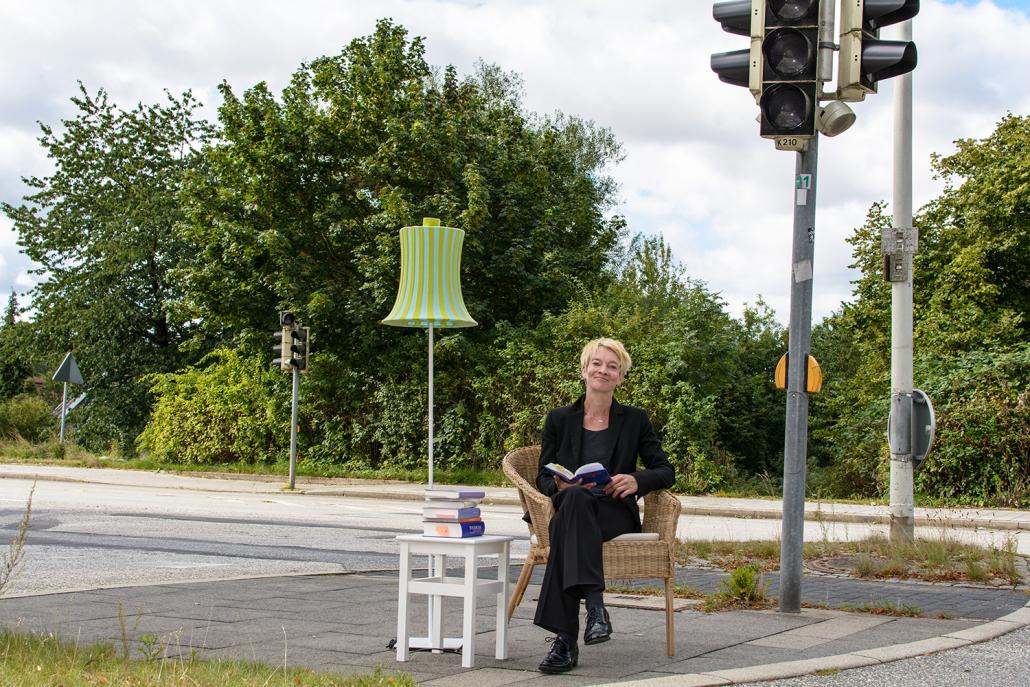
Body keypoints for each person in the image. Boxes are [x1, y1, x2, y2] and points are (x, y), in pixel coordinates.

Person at [533, 337, 675, 674]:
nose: (603, 370)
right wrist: (557, 484)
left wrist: (637, 480)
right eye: (597, 363)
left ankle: (564, 642)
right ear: (584, 370)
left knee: (571, 521)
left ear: (621, 377)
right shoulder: (558, 419)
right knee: (575, 499)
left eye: (613, 366)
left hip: (613, 512)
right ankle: (595, 608)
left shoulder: (635, 420)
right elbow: (541, 476)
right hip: (571, 506)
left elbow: (666, 470)